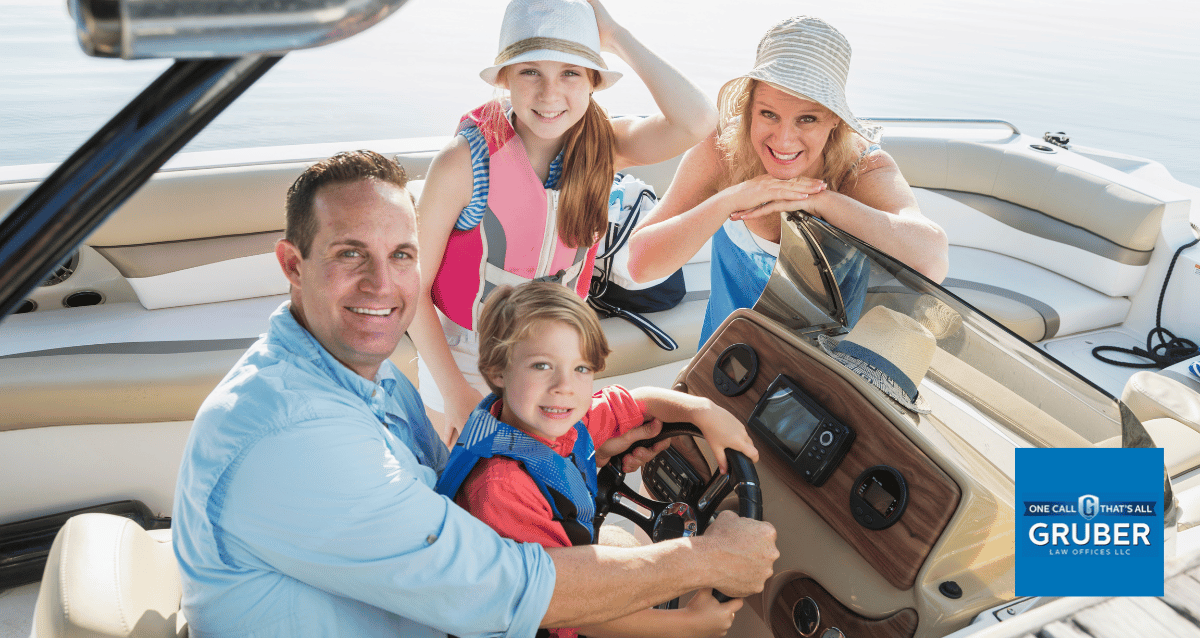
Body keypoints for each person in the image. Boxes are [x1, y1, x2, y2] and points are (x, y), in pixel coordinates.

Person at [171, 151, 778, 638]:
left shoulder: (360, 372)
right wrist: (708, 560)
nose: (382, 285)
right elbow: (509, 590)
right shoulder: (294, 434)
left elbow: (450, 495)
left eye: (402, 255)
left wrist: (587, 461)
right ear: (292, 264)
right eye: (349, 253)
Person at [412, 0, 717, 443]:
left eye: (571, 72)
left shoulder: (605, 147)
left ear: (595, 81)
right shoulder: (463, 162)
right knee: (469, 494)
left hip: (558, 356)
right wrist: (455, 392)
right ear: (505, 79)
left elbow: (698, 121)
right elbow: (412, 289)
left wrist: (613, 35)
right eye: (529, 71)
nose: (550, 94)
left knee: (542, 494)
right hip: (467, 357)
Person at [436, 282, 760, 638]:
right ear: (498, 371)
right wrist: (686, 625)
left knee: (625, 549)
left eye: (581, 369)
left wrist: (702, 411)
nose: (565, 386)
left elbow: (640, 401)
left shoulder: (566, 422)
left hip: (561, 588)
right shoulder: (500, 488)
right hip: (534, 618)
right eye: (542, 365)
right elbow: (568, 607)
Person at [626, 16, 949, 346]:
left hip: (826, 376)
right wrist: (731, 199)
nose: (783, 140)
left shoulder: (860, 169)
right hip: (726, 368)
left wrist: (820, 201)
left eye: (806, 119)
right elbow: (640, 265)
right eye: (769, 114)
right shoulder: (720, 152)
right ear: (749, 105)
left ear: (835, 119)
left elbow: (933, 262)